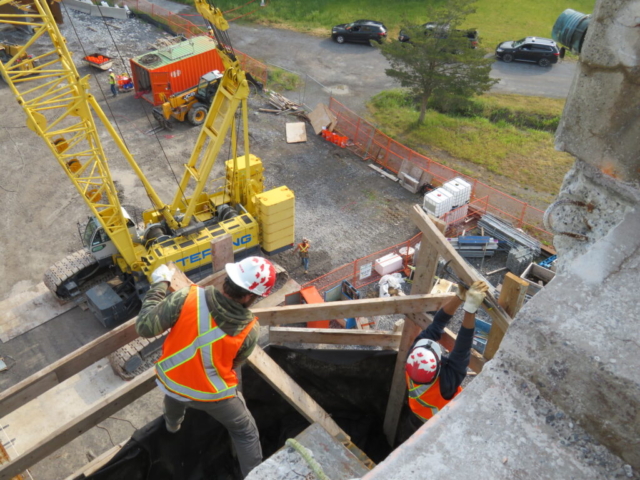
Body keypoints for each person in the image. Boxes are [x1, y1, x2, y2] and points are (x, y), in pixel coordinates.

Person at [136, 256, 277, 478]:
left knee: (176, 392)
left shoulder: (188, 296)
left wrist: (159, 284)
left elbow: (145, 326)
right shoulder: (249, 329)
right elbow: (234, 363)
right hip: (212, 396)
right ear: (249, 296)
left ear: (229, 278)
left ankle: (172, 426)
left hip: (171, 380)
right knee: (245, 432)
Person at [404, 281, 488, 428]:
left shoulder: (414, 357)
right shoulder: (446, 384)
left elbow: (437, 323)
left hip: (416, 411)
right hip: (439, 423)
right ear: (438, 365)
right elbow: (463, 345)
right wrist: (470, 308)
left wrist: (459, 297)